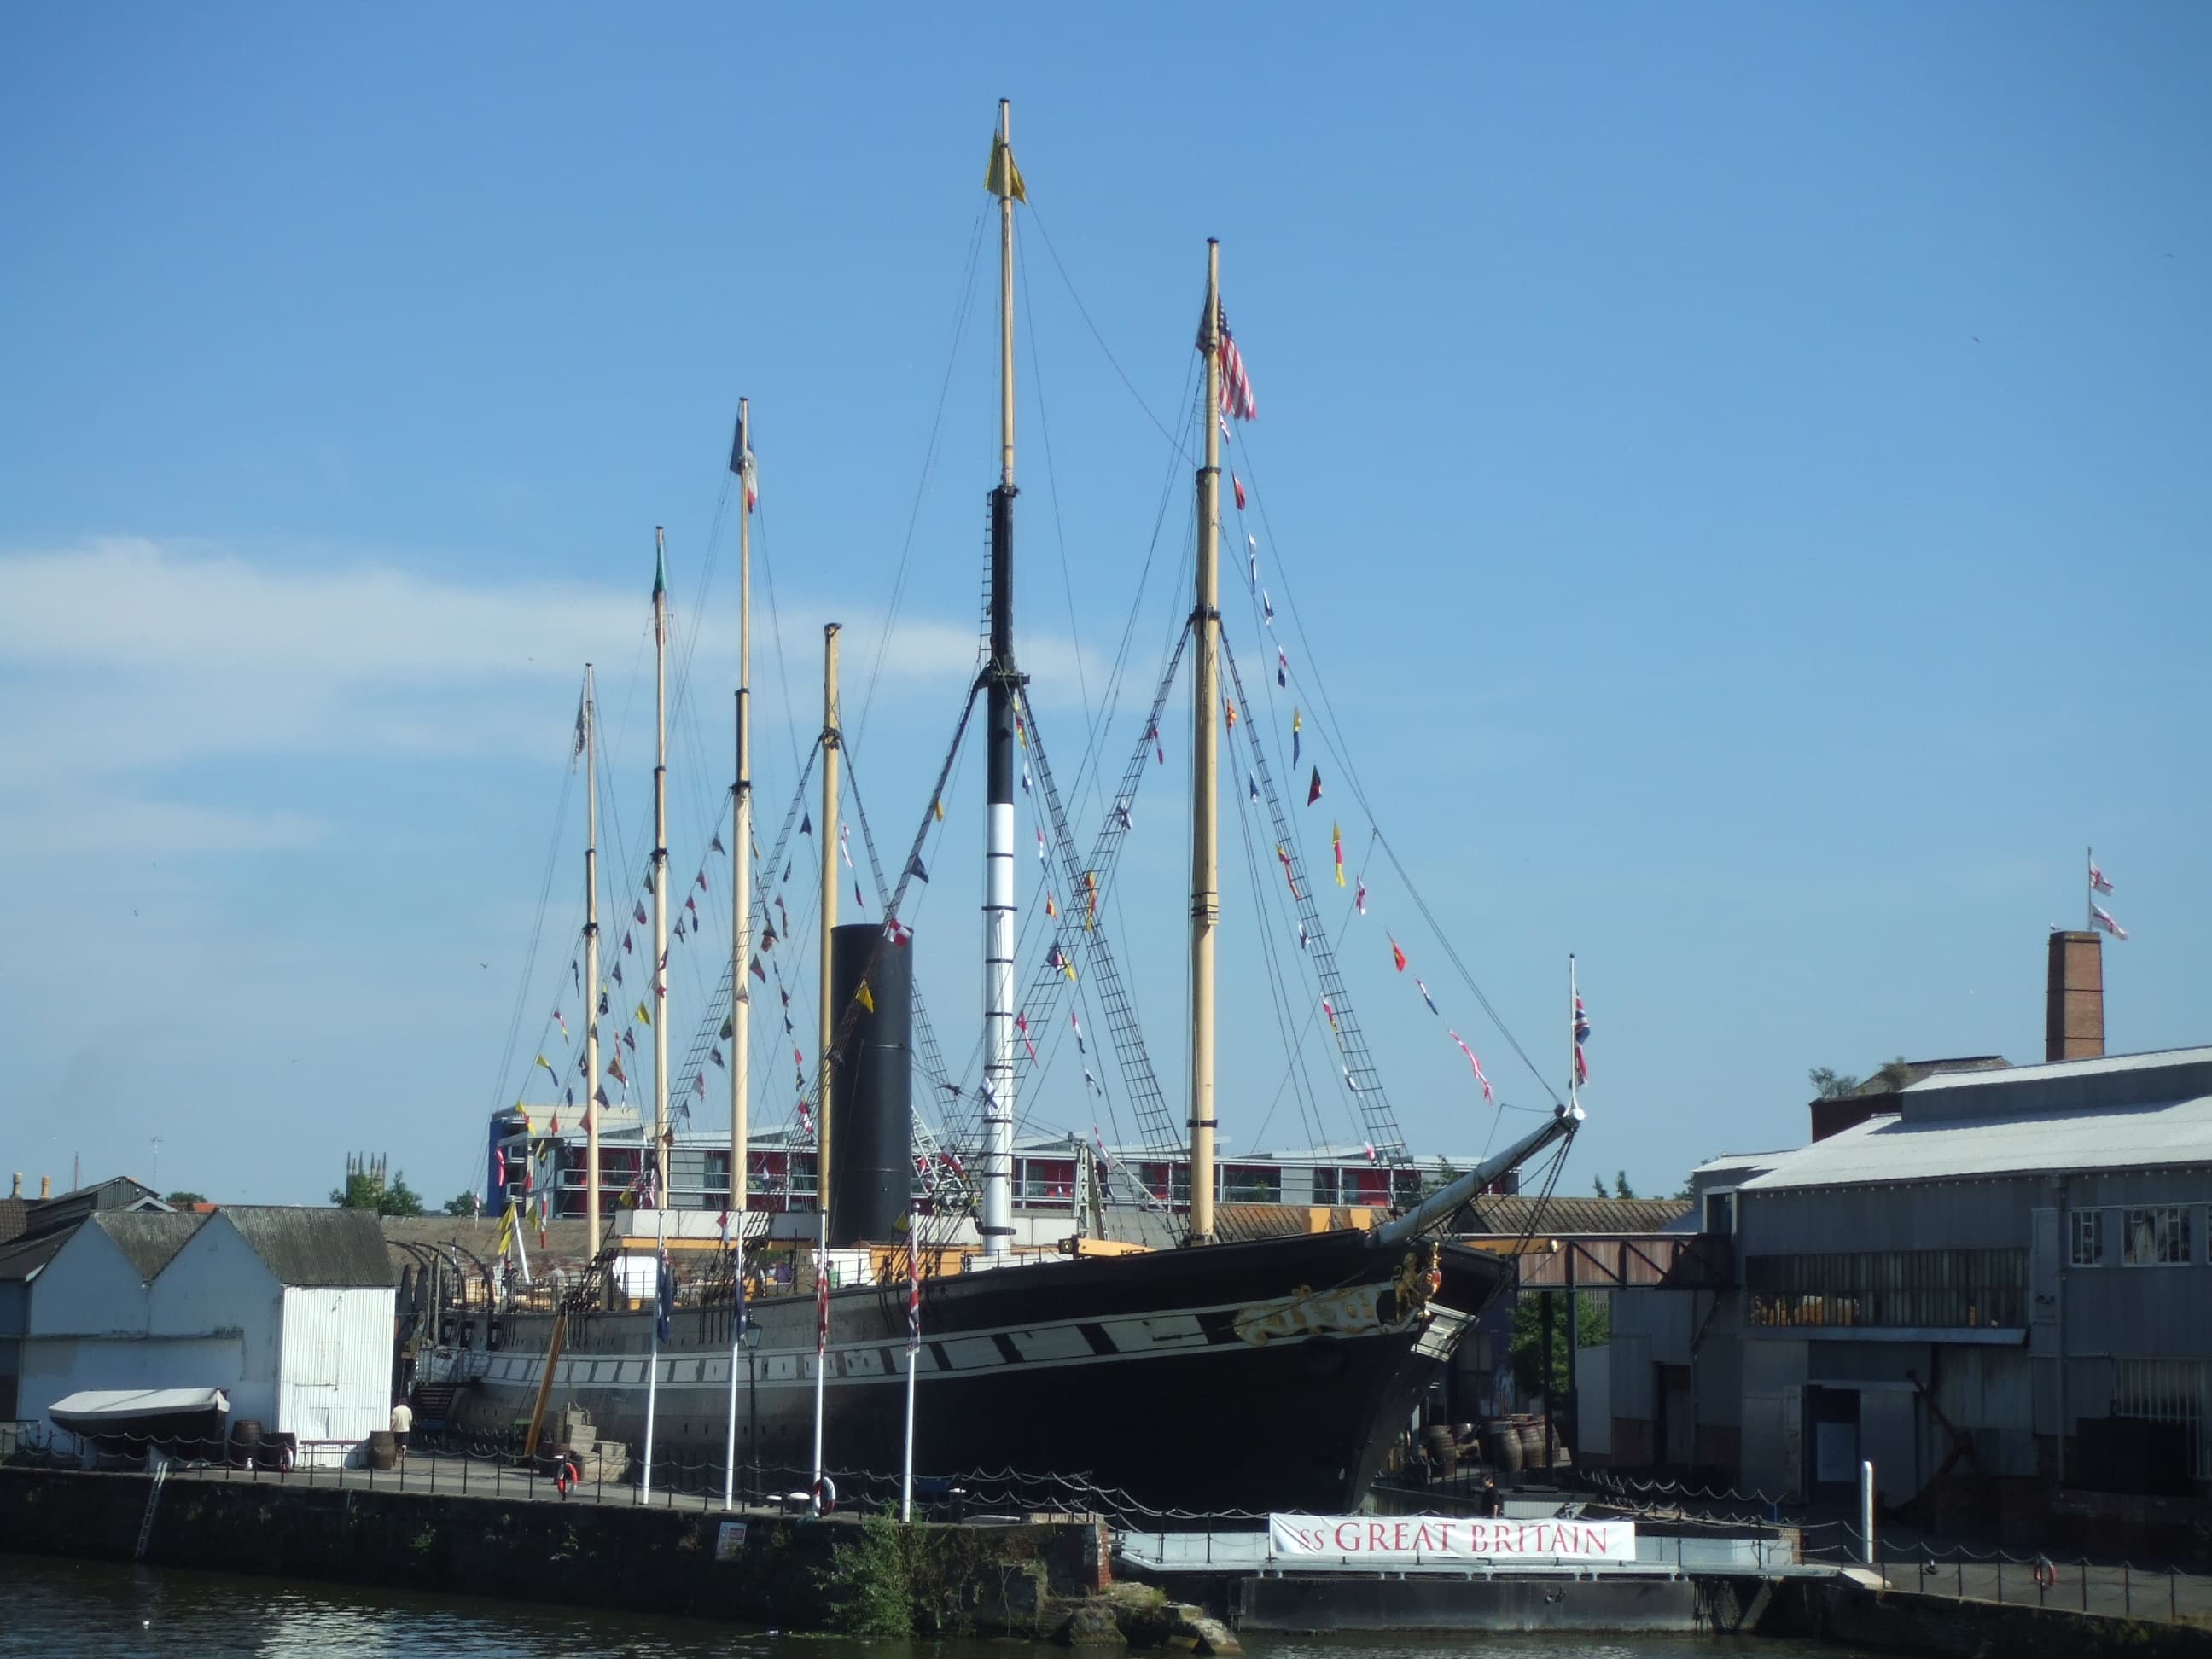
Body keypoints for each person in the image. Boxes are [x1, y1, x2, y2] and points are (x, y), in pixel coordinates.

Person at [390, 1396, 413, 1462]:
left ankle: (395, 1457)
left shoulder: (395, 1410)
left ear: (399, 1402)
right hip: (405, 1429)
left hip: (396, 1430)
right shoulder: (409, 1410)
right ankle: (403, 1458)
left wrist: (391, 1428)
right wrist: (408, 1425)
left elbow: (393, 1421)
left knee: (396, 1444)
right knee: (404, 1444)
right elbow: (410, 1420)